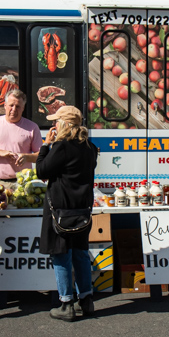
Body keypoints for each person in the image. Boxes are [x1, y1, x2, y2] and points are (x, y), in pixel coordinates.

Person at [35, 105, 99, 322]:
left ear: (64, 124)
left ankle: (66, 304)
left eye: (56, 121)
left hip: (61, 211)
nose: (53, 125)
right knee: (81, 253)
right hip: (82, 211)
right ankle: (87, 300)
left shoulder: (61, 147)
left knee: (61, 255)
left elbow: (41, 170)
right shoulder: (90, 147)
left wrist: (45, 145)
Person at [0, 89, 42, 190]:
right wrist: (0, 152)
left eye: (18, 106)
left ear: (23, 108)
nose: (14, 109)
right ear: (5, 105)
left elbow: (41, 156)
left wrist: (27, 157)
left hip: (24, 183)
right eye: (11, 105)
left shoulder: (32, 127)